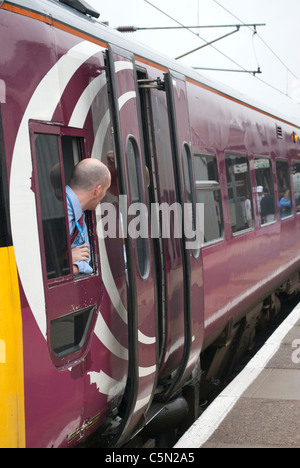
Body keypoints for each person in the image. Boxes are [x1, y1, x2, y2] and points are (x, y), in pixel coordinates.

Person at [66, 159, 111, 275]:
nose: (105, 195)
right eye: (105, 190)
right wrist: (67, 259)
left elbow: (85, 262)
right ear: (97, 190)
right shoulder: (57, 209)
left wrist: (71, 265)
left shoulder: (80, 215)